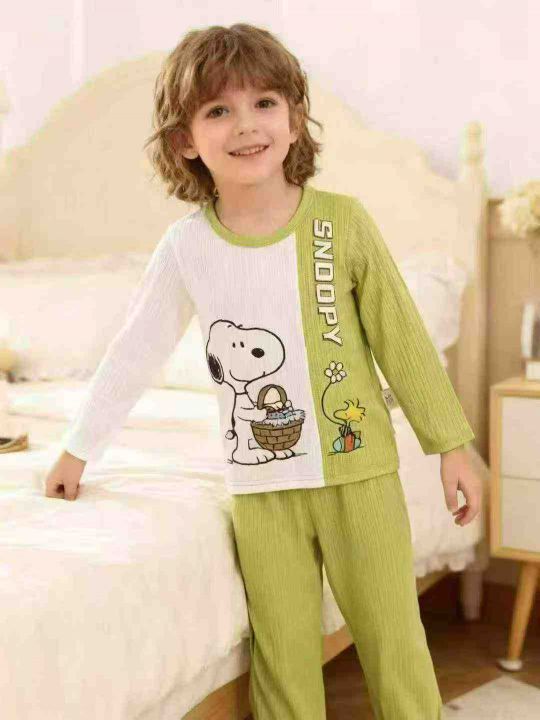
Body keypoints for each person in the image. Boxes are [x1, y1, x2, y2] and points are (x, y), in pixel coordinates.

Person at [45, 23, 482, 719]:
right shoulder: (187, 247)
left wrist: (451, 445)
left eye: (265, 103)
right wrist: (78, 447)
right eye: (219, 109)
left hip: (360, 474)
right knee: (283, 659)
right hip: (261, 488)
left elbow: (403, 341)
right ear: (185, 140)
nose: (246, 125)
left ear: (295, 118)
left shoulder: (342, 224)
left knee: (394, 644)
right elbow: (134, 351)